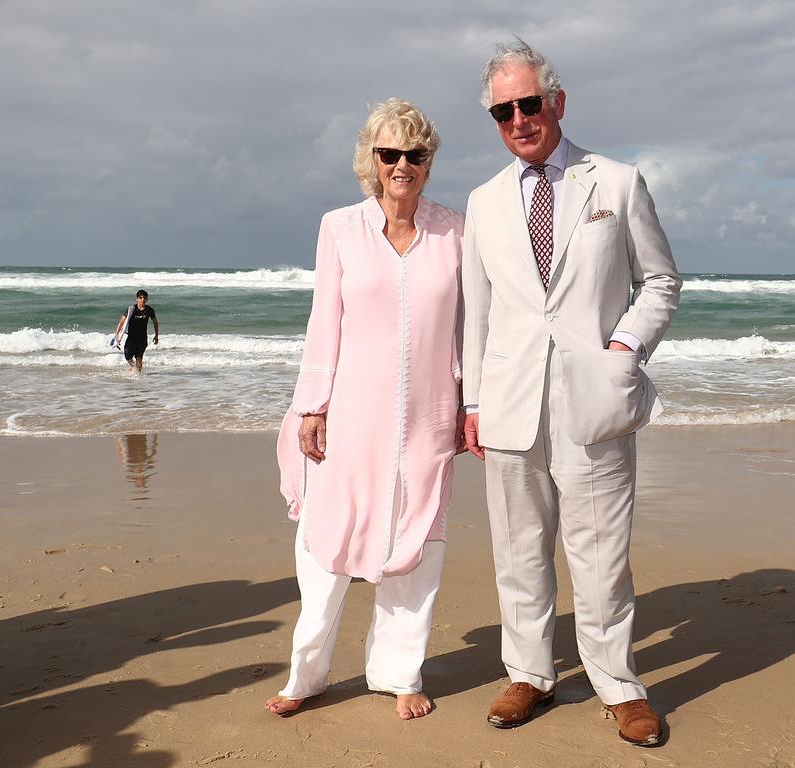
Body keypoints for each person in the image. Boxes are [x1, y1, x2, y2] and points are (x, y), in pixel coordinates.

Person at [461, 40, 681, 746]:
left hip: (595, 398)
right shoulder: (483, 201)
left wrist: (624, 349)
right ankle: (530, 674)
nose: (519, 118)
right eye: (504, 110)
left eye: (529, 103)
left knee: (600, 555)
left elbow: (661, 282)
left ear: (557, 101)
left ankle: (618, 683)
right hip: (508, 402)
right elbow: (478, 310)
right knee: (520, 550)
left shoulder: (615, 182)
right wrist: (469, 403)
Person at [269, 99, 466, 721]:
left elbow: (471, 328)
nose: (402, 164)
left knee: (418, 541)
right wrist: (311, 406)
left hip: (429, 415)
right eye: (390, 153)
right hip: (351, 412)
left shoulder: (457, 233)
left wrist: (471, 403)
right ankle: (307, 675)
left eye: (415, 154)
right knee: (328, 542)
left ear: (429, 162)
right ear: (372, 162)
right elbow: (324, 318)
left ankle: (397, 673)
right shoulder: (339, 227)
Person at [114, 289, 159, 373]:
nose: (143, 300)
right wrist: (117, 334)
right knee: (127, 355)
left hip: (142, 338)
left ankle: (137, 377)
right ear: (137, 299)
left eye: (145, 298)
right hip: (131, 338)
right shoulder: (131, 309)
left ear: (147, 299)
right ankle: (132, 367)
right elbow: (121, 322)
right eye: (141, 298)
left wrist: (156, 335)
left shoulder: (149, 310)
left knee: (139, 358)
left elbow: (155, 322)